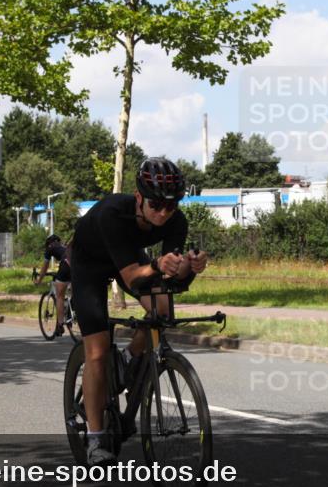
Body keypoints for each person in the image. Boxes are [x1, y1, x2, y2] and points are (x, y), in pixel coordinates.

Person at [71, 158, 208, 464]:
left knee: (162, 309)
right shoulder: (113, 214)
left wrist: (191, 265)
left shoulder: (176, 221)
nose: (163, 213)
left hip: (128, 256)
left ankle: (128, 359)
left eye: (170, 206)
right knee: (97, 352)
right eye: (155, 205)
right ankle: (95, 438)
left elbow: (172, 275)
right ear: (138, 197)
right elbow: (133, 277)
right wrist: (157, 265)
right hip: (90, 263)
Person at [34, 234, 71, 337]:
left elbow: (45, 267)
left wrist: (39, 280)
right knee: (72, 291)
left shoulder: (50, 248)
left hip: (65, 266)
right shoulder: (64, 246)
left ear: (49, 244)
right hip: (76, 265)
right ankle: (71, 312)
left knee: (59, 296)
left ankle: (60, 325)